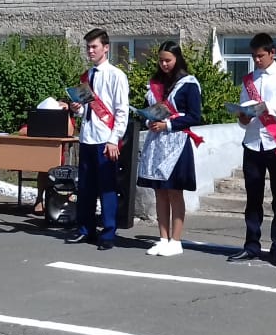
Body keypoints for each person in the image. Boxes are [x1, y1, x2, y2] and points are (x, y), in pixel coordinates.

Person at [228, 33, 276, 267]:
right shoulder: (249, 80)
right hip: (252, 142)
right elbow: (243, 114)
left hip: (275, 144)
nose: (257, 60)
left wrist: (268, 107)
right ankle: (251, 245)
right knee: (253, 199)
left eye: (260, 56)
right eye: (254, 56)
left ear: (272, 53)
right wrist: (243, 118)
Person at [137, 41, 203, 256]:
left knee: (174, 191)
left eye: (168, 60)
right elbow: (148, 110)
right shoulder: (155, 83)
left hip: (177, 143)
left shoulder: (189, 84)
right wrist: (149, 121)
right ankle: (163, 238)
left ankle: (176, 240)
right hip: (157, 142)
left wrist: (168, 125)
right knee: (160, 191)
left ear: (177, 59)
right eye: (161, 60)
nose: (164, 64)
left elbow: (194, 116)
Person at [68, 28, 130, 249]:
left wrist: (114, 139)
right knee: (85, 187)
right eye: (88, 47)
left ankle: (108, 232)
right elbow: (86, 110)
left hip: (105, 139)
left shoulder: (116, 75)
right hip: (87, 137)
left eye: (94, 47)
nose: (90, 51)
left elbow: (122, 111)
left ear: (106, 48)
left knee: (107, 188)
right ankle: (85, 229)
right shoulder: (87, 75)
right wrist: (77, 108)